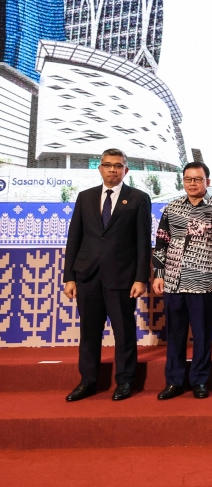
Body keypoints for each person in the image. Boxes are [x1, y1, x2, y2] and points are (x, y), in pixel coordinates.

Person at [63, 148, 151, 402]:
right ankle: (87, 382)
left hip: (122, 278)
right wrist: (70, 277)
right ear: (99, 168)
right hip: (87, 276)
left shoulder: (138, 198)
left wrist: (140, 278)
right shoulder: (85, 197)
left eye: (118, 165)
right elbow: (74, 239)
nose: (112, 169)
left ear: (126, 170)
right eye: (107, 165)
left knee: (124, 332)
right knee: (89, 333)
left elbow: (142, 242)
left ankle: (124, 381)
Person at [152, 161, 212, 400]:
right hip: (173, 281)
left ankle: (199, 381)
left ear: (208, 181)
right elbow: (162, 242)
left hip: (204, 281)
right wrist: (158, 274)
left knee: (202, 334)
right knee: (174, 334)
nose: (193, 183)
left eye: (198, 179)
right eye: (188, 179)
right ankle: (174, 381)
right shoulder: (172, 207)